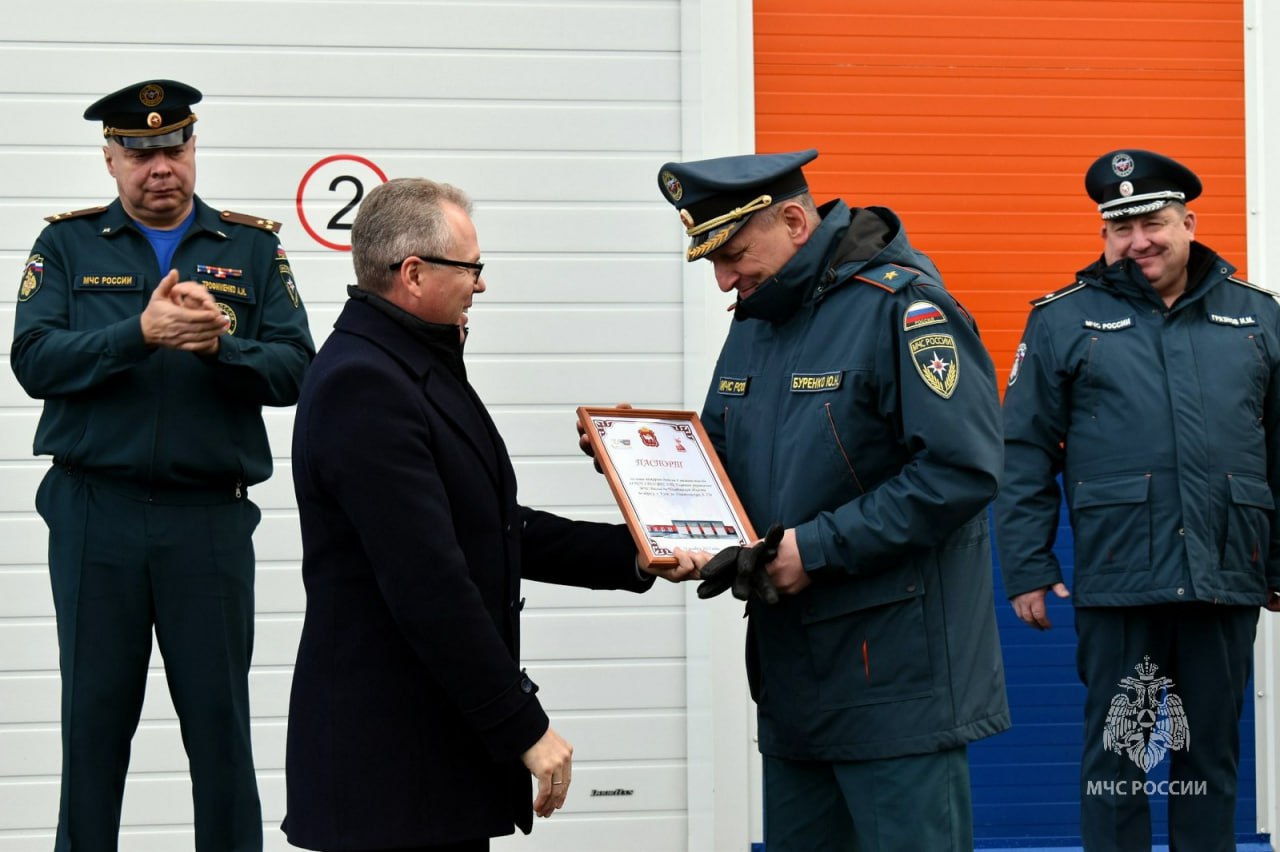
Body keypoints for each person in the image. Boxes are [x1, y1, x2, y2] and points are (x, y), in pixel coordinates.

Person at [282, 177, 696, 851]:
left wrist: (640, 550)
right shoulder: (366, 383)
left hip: (429, 763)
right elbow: (429, 582)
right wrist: (523, 725)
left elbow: (496, 523)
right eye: (471, 267)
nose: (481, 284)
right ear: (413, 274)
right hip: (388, 772)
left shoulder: (413, 361)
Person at [653, 149, 1010, 850]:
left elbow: (960, 472)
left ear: (792, 220)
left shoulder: (906, 309)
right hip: (794, 687)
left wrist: (812, 550)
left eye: (732, 253)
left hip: (896, 691)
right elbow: (724, 461)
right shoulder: (755, 322)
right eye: (712, 262)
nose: (725, 278)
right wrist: (649, 470)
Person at [10, 79, 314, 850]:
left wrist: (223, 347)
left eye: (173, 148)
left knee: (219, 728)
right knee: (94, 725)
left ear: (193, 148)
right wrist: (135, 335)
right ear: (109, 158)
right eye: (139, 153)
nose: (159, 167)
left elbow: (299, 370)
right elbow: (33, 360)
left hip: (207, 519)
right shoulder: (65, 246)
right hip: (93, 513)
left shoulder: (251, 247)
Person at [996, 148, 1280, 851]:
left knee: (1209, 756)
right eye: (1118, 228)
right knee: (1117, 762)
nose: (1137, 241)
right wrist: (1027, 564)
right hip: (1120, 576)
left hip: (1224, 574)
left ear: (1188, 221)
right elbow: (1024, 450)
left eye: (1152, 222)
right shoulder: (1064, 320)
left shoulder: (1258, 317)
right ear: (1104, 236)